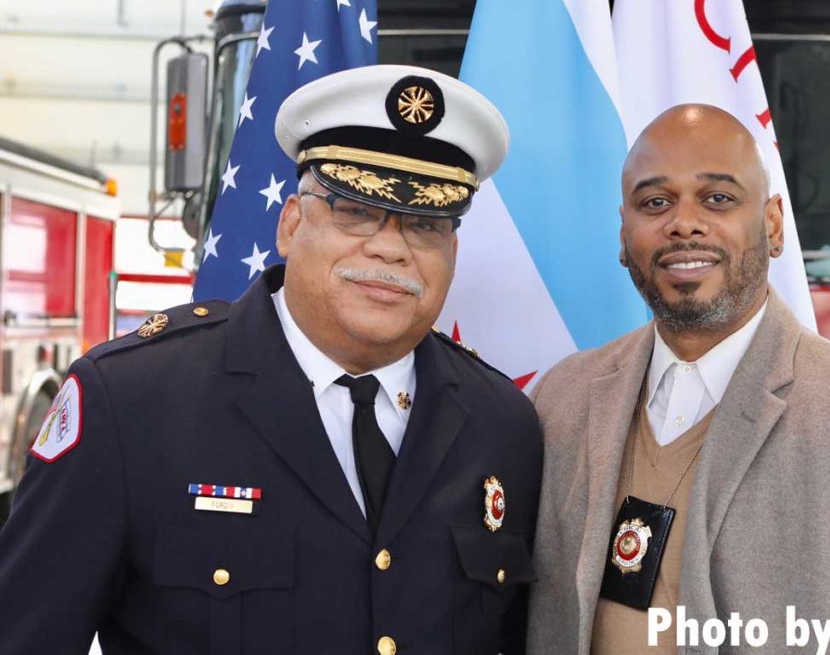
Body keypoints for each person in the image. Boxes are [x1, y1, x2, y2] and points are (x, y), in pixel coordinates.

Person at [0, 65, 542, 655]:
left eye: (425, 224)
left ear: (453, 250)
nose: (391, 247)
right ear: (289, 225)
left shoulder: (504, 424)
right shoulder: (131, 401)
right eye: (355, 211)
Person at [525, 104, 830, 654]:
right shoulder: (562, 399)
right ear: (623, 235)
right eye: (655, 202)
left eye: (718, 198)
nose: (684, 222)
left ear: (772, 224)